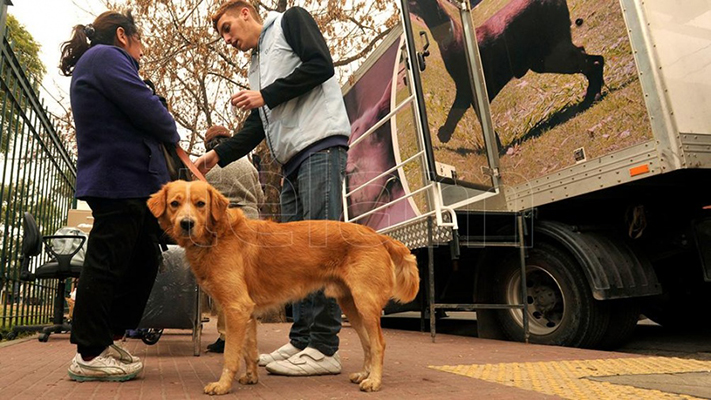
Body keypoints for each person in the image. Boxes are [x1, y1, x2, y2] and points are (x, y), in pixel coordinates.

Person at [195, 1, 351, 376]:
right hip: (291, 160)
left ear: (246, 12)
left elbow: (320, 65)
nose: (228, 39)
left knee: (321, 250)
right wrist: (216, 156)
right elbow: (257, 125)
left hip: (319, 144)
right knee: (293, 257)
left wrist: (266, 95)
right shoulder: (255, 65)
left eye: (228, 28)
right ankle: (301, 340)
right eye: (222, 35)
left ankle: (325, 347)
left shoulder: (291, 21)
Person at [59, 10, 180, 382]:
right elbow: (159, 120)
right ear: (124, 36)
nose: (142, 50)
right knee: (108, 261)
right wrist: (156, 102)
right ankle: (89, 352)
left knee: (142, 260)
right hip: (119, 180)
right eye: (140, 41)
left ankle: (107, 338)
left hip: (131, 182)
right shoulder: (107, 57)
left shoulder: (98, 63)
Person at [203, 125, 264, 353]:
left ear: (208, 144)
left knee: (225, 282)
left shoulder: (208, 165)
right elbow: (260, 197)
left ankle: (226, 335)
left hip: (222, 226)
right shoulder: (247, 164)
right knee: (248, 281)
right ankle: (248, 332)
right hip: (250, 223)